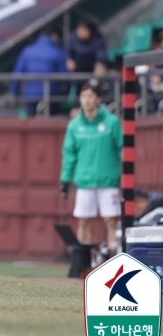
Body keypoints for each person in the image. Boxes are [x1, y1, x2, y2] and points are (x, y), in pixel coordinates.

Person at [60, 81, 122, 254]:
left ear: (98, 99)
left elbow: (122, 150)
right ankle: (84, 261)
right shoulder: (74, 125)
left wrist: (125, 174)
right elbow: (69, 155)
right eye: (84, 96)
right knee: (84, 221)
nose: (87, 100)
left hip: (108, 180)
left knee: (111, 221)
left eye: (90, 96)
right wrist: (65, 180)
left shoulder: (111, 122)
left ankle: (112, 258)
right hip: (84, 181)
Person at [10, 28, 68, 117]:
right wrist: (64, 94)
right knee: (51, 126)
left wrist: (14, 93)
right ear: (54, 36)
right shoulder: (57, 52)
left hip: (31, 95)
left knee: (32, 125)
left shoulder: (27, 51)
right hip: (52, 95)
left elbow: (17, 74)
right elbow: (64, 77)